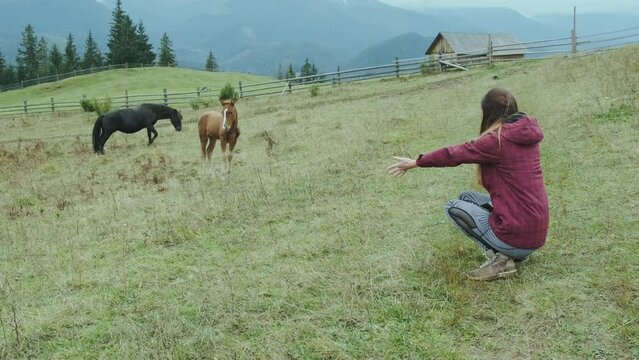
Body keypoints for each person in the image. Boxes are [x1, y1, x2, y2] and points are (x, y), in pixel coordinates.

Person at [387, 88, 549, 281]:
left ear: (488, 113)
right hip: (536, 232)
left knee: (453, 207)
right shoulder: (526, 135)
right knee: (467, 197)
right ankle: (514, 252)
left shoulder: (497, 140)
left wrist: (416, 162)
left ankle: (502, 261)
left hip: (517, 234)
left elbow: (454, 153)